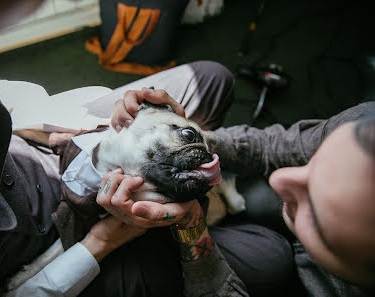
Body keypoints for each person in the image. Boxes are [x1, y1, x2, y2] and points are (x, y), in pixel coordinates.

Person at [0, 1, 293, 297]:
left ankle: (229, 196)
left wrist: (91, 125)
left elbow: (2, 98)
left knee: (213, 79)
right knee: (273, 257)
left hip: (50, 149)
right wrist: (100, 243)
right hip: (48, 251)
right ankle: (237, 207)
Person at [114, 86, 375, 296]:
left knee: (272, 262)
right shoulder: (364, 124)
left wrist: (190, 224)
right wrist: (189, 140)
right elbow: (272, 146)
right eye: (317, 161)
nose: (280, 178)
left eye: (317, 215)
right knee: (261, 197)